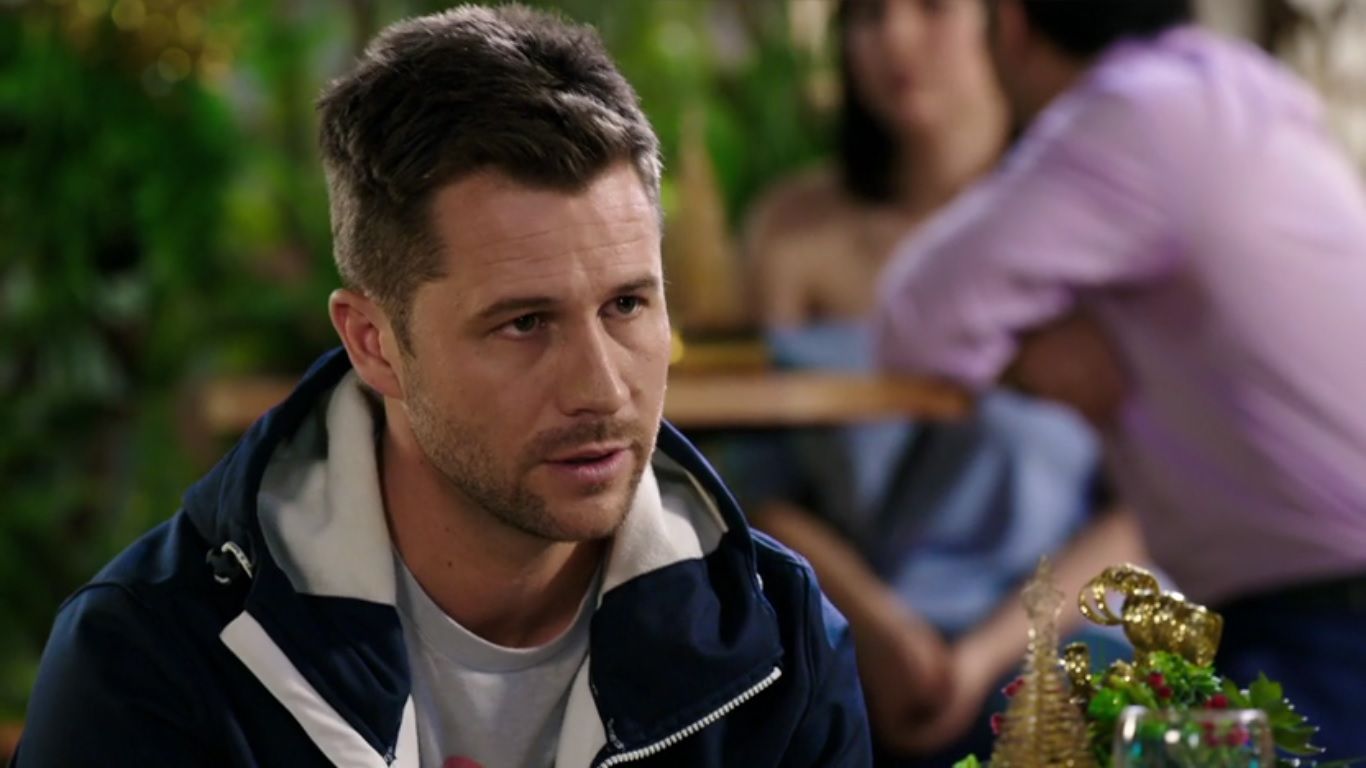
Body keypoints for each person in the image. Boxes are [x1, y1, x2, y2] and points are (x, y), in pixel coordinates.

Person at [15, 7, 871, 767]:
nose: (602, 388)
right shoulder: (150, 659)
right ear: (373, 343)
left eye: (626, 305)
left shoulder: (779, 650)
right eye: (524, 323)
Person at [875, 0, 1366, 758]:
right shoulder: (1236, 89)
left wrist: (1024, 356)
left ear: (1011, 26)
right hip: (1295, 616)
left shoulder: (1127, 114)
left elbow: (914, 317)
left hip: (1326, 630)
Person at [738, 0, 1144, 761]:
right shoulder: (793, 230)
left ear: (1008, 25)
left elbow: (1141, 510)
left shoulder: (1082, 226)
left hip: (1050, 633)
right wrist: (878, 630)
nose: (893, 36)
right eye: (867, 14)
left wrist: (984, 656)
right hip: (843, 630)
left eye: (930, 7)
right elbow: (755, 486)